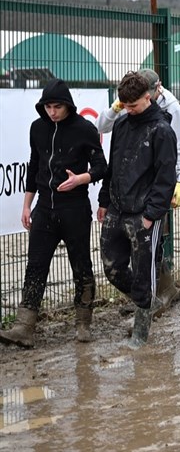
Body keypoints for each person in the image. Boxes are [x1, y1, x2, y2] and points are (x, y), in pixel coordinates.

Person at [0, 79, 107, 349]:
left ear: (68, 105)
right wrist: (27, 205)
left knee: (81, 265)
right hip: (44, 210)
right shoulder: (37, 128)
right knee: (35, 266)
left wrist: (80, 179)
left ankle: (83, 323)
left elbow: (101, 167)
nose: (52, 112)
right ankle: (24, 326)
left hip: (75, 209)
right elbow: (34, 166)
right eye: (47, 106)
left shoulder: (85, 129)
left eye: (57, 106)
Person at [97, 69, 180, 309]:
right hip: (118, 204)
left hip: (145, 209)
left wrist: (152, 213)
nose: (129, 109)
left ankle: (144, 318)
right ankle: (146, 301)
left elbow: (166, 172)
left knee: (144, 270)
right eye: (124, 105)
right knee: (112, 267)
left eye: (134, 105)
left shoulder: (164, 126)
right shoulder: (121, 124)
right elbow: (113, 165)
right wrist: (104, 200)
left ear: (149, 96)